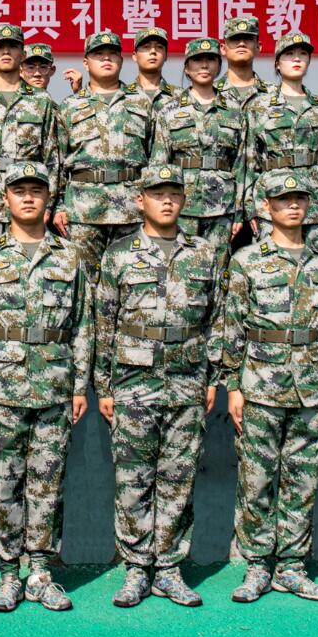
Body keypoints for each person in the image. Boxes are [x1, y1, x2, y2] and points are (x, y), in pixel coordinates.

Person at [0, 161, 90, 613]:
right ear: (6, 199)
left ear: (49, 198)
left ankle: (41, 571)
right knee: (3, 482)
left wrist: (80, 385)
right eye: (20, 191)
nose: (28, 197)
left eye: (36, 190)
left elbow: (83, 325)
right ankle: (8, 574)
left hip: (54, 384)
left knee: (47, 483)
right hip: (2, 387)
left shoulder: (69, 256)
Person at [94, 165, 223, 608]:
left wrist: (214, 377)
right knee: (133, 477)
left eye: (173, 194)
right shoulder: (119, 254)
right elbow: (104, 323)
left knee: (178, 477)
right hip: (134, 381)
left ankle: (168, 567)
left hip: (187, 380)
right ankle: (136, 568)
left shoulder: (203, 253)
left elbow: (217, 319)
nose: (166, 201)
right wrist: (103, 386)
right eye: (156, 194)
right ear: (140, 200)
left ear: (184, 200)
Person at [211, 177, 318, 603]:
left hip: (312, 386)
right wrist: (233, 385)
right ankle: (258, 565)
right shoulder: (247, 260)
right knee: (257, 479)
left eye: (300, 199)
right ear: (267, 207)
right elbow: (232, 327)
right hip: (262, 383)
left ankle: (292, 566)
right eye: (284, 201)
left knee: (304, 479)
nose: (293, 207)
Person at [58, 30, 157, 288]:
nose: (106, 59)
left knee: (133, 280)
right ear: (86, 62)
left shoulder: (142, 103)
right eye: (98, 54)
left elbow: (155, 157)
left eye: (112, 54)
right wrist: (58, 206)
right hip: (83, 209)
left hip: (130, 209)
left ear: (122, 60)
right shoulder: (70, 106)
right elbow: (56, 160)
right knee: (84, 285)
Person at [0, 23, 64, 253]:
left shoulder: (41, 101)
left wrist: (49, 205)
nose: (6, 52)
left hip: (29, 202)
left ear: (22, 54)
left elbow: (52, 159)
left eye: (13, 46)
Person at [148, 37, 250, 261]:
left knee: (217, 266)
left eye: (210, 60)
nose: (204, 66)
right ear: (186, 68)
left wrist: (238, 211)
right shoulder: (170, 111)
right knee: (179, 264)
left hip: (222, 207)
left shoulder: (234, 111)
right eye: (197, 60)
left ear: (219, 65)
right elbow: (159, 163)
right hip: (182, 207)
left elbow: (241, 164)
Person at [247, 32, 318, 256]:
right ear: (277, 63)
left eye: (303, 54)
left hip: (313, 197)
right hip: (274, 197)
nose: (297, 59)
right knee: (271, 261)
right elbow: (249, 159)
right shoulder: (260, 105)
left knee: (312, 261)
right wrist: (250, 206)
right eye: (289, 54)